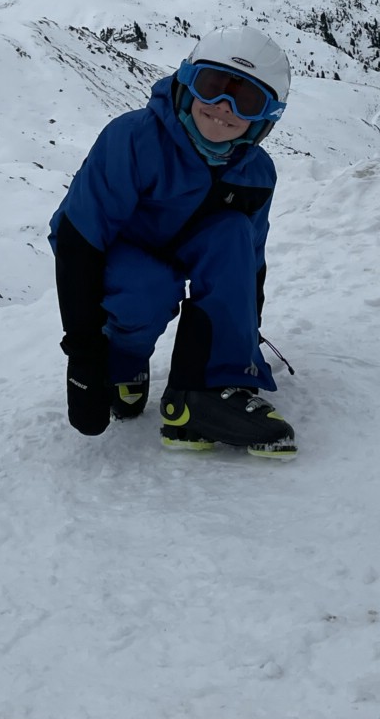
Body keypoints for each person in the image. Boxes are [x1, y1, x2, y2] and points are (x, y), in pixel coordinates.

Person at [49, 25, 297, 458]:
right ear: (186, 82)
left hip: (180, 246)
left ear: (267, 115)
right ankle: (124, 363)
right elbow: (79, 241)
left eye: (247, 99)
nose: (224, 107)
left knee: (233, 232)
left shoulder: (256, 175)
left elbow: (247, 265)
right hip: (106, 248)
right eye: (213, 86)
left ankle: (202, 394)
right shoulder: (134, 138)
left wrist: (239, 339)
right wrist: (85, 357)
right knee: (149, 287)